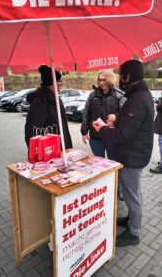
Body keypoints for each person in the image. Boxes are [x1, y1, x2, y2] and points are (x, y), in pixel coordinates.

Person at [92, 60, 154, 247]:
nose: (119, 78)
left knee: (132, 195)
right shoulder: (140, 95)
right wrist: (117, 119)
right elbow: (131, 122)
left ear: (128, 76)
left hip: (132, 156)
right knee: (132, 193)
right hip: (133, 154)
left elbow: (122, 135)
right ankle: (130, 219)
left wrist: (103, 128)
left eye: (121, 75)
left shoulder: (137, 98)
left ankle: (133, 233)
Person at [80, 69, 125, 198]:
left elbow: (126, 114)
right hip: (96, 137)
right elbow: (86, 114)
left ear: (110, 79)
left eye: (104, 79)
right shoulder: (93, 95)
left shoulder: (119, 95)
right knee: (98, 165)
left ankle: (119, 188)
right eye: (99, 80)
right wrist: (84, 131)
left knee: (115, 164)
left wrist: (116, 117)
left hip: (112, 137)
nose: (101, 82)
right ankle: (102, 188)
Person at [25, 65, 73, 149]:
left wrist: (67, 146)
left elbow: (62, 127)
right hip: (49, 151)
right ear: (52, 83)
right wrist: (38, 151)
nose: (61, 84)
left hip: (61, 147)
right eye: (59, 82)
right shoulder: (40, 102)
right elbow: (32, 131)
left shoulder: (56, 99)